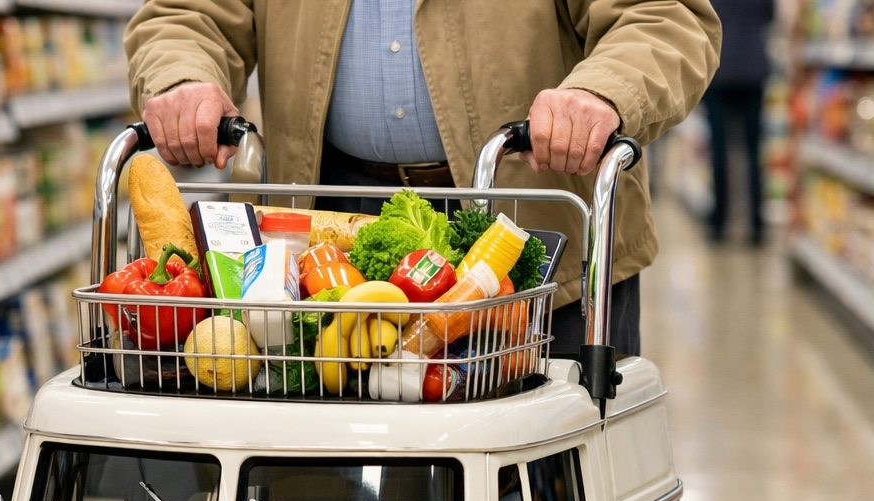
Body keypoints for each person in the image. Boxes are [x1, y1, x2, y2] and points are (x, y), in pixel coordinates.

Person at [124, 2, 721, 358]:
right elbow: (187, 14)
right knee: (336, 483)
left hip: (534, 228)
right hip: (329, 228)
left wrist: (601, 91)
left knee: (544, 486)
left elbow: (662, 17)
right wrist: (180, 77)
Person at [703, 0, 775, 244]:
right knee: (754, 153)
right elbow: (769, 17)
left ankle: (718, 223)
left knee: (719, 152)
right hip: (753, 71)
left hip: (719, 70)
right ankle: (756, 226)